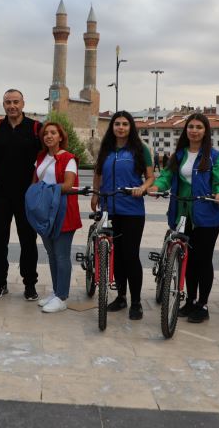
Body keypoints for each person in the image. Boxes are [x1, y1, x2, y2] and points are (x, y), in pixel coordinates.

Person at [148, 113, 219, 323]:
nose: (194, 130)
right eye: (191, 127)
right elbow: (167, 176)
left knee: (203, 260)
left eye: (199, 127)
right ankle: (190, 300)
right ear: (186, 130)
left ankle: (202, 304)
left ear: (205, 131)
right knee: (188, 260)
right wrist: (158, 186)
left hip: (207, 216)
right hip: (182, 213)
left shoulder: (212, 156)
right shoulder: (179, 155)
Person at [91, 111, 154, 320]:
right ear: (112, 127)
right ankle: (121, 296)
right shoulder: (106, 148)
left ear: (130, 127)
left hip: (132, 210)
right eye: (117, 124)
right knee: (116, 256)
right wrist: (95, 194)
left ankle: (136, 302)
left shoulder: (140, 148)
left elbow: (151, 177)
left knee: (131, 255)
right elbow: (98, 173)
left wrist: (142, 188)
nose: (120, 127)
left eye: (125, 124)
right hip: (109, 208)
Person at [0, 89, 42, 301]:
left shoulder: (36, 128)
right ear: (4, 105)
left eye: (15, 102)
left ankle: (30, 284)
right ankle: (0, 282)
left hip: (27, 195)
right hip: (0, 193)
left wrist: (39, 190)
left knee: (28, 240)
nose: (12, 106)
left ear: (23, 103)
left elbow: (45, 160)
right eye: (8, 102)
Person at [33, 121, 82, 313]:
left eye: (53, 133)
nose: (49, 136)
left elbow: (68, 185)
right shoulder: (41, 157)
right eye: (46, 133)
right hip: (45, 211)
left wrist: (44, 191)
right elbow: (35, 182)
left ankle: (62, 297)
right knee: (51, 254)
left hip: (63, 211)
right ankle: (56, 291)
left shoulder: (69, 158)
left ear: (60, 137)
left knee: (62, 256)